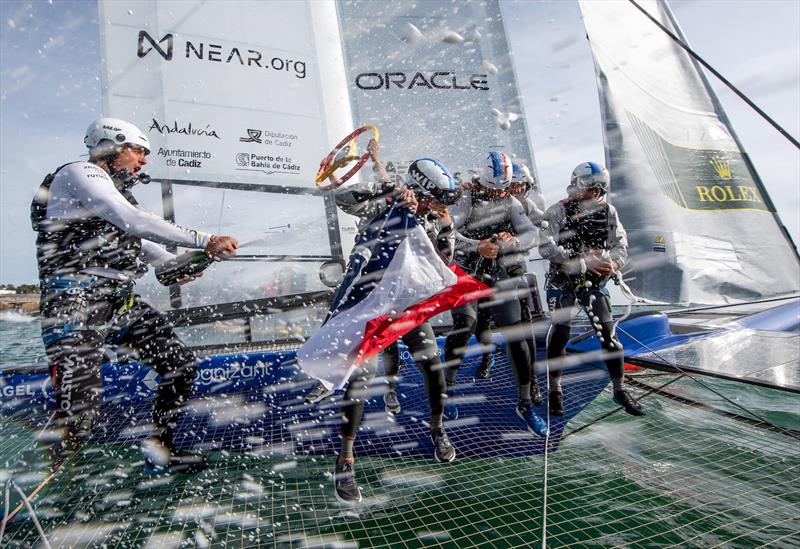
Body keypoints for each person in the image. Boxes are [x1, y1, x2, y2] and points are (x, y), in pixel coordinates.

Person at [31, 117, 239, 473]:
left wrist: (176, 264)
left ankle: (161, 451)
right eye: (138, 151)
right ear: (111, 146)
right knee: (80, 419)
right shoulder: (79, 172)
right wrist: (204, 239)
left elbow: (135, 242)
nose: (143, 160)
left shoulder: (113, 191)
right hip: (74, 304)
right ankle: (35, 493)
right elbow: (130, 219)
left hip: (117, 301)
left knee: (180, 366)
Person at [305, 141, 459, 504]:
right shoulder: (385, 203)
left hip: (404, 307)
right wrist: (387, 186)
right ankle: (345, 459)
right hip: (369, 305)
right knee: (361, 378)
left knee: (432, 364)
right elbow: (344, 199)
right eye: (439, 200)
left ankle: (438, 430)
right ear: (421, 191)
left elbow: (444, 261)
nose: (442, 208)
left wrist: (447, 227)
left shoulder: (431, 220)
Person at [444, 151, 548, 437]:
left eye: (502, 188)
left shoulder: (512, 202)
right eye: (493, 188)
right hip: (467, 274)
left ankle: (526, 403)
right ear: (482, 180)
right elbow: (448, 233)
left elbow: (532, 234)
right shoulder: (465, 198)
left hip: (499, 275)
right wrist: (475, 246)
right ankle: (446, 391)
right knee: (464, 326)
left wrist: (512, 240)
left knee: (517, 335)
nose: (499, 193)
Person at [539, 161, 644, 417]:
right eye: (587, 188)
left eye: (596, 189)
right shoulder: (557, 211)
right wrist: (583, 260)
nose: (591, 193)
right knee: (561, 332)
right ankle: (555, 390)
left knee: (607, 334)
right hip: (563, 280)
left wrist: (613, 263)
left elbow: (621, 244)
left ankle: (619, 389)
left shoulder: (609, 212)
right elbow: (545, 247)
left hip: (593, 282)